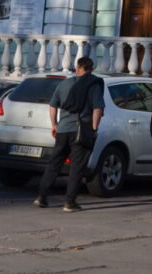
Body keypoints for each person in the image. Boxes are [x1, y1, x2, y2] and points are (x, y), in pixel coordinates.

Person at [34, 56, 104, 213]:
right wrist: (94, 128)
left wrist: (54, 125)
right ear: (91, 69)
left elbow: (53, 106)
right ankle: (69, 203)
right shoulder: (93, 85)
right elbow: (98, 109)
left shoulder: (64, 84)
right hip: (80, 131)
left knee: (54, 164)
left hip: (62, 130)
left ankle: (41, 197)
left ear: (77, 67)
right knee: (77, 167)